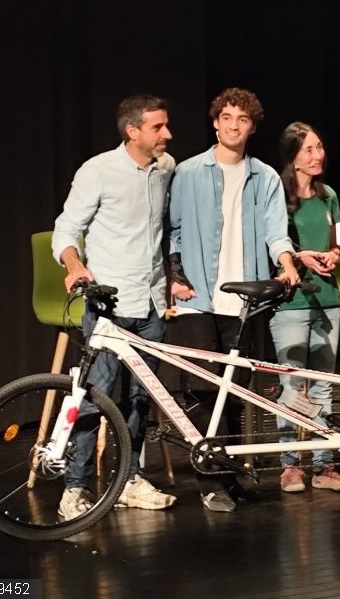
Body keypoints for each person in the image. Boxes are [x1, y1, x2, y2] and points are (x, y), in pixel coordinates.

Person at [168, 87, 299, 513]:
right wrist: (173, 276)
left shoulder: (264, 177)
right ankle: (211, 480)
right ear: (215, 121)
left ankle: (231, 471)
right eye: (226, 117)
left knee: (236, 388)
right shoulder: (188, 172)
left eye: (241, 119)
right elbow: (171, 230)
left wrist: (286, 261)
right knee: (205, 388)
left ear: (252, 127)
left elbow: (276, 230)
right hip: (196, 296)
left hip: (241, 298)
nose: (232, 125)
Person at [52, 94, 177, 519]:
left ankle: (128, 479)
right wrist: (74, 265)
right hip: (110, 304)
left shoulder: (165, 167)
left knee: (141, 398)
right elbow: (67, 228)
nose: (167, 134)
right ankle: (76, 486)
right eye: (158, 127)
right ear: (133, 130)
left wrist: (174, 278)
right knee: (96, 395)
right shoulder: (98, 170)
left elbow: (163, 232)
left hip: (152, 302)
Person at [272, 122, 340, 494]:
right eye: (308, 149)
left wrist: (335, 253)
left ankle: (325, 464)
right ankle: (290, 465)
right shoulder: (278, 196)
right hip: (290, 301)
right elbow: (272, 244)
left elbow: (338, 235)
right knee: (292, 383)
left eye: (319, 147)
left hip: (326, 296)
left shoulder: (329, 195)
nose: (317, 155)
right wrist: (298, 257)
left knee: (323, 385)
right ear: (293, 156)